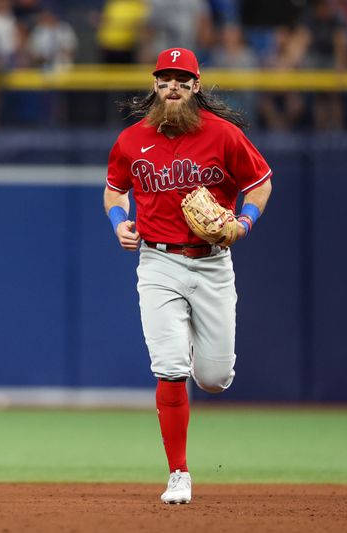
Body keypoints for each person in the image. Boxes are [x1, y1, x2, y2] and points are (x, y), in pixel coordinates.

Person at [103, 48, 272, 504]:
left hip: (213, 262)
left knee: (215, 379)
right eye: (165, 79)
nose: (172, 86)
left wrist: (245, 220)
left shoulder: (224, 135)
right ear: (154, 85)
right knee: (170, 367)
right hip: (158, 262)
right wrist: (119, 222)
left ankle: (198, 354)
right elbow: (114, 190)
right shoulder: (131, 140)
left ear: (196, 86)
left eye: (182, 79)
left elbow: (260, 182)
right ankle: (179, 473)